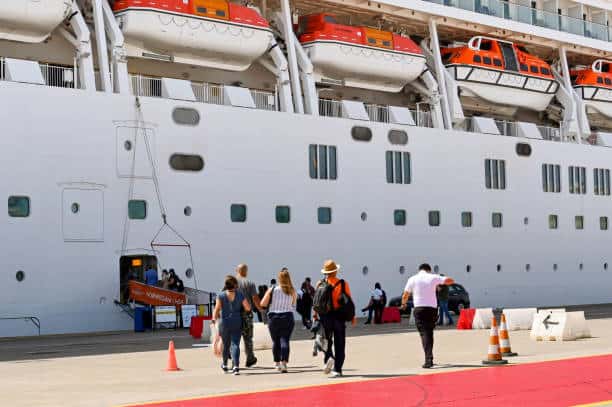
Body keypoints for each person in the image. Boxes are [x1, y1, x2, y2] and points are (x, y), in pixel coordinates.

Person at [401, 264, 454, 368]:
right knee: (429, 333)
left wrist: (403, 304)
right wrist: (439, 280)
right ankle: (429, 357)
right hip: (432, 309)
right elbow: (450, 280)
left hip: (419, 309)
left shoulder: (412, 279)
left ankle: (428, 360)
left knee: (424, 333)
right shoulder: (433, 277)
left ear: (419, 270)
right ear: (429, 270)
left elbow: (405, 295)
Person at [317, 259, 356, 378]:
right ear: (335, 271)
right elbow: (349, 301)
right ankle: (337, 369)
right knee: (340, 343)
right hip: (339, 317)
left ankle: (329, 357)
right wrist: (352, 316)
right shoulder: (343, 284)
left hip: (325, 317)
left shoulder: (320, 284)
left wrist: (315, 315)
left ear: (326, 272)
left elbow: (317, 302)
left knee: (324, 341)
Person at [212, 275, 251, 375]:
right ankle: (236, 367)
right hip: (236, 321)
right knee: (235, 344)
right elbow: (247, 308)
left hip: (224, 322)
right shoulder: (240, 294)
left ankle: (225, 365)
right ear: (235, 285)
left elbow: (216, 309)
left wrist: (213, 319)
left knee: (226, 344)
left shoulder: (220, 295)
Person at [260, 268, 297, 373]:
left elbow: (263, 303)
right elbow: (293, 304)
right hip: (288, 317)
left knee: (276, 341)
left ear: (279, 278)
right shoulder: (292, 290)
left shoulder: (272, 289)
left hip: (274, 317)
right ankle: (284, 363)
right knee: (284, 340)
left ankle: (277, 363)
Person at [235, 264, 263, 368]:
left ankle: (234, 360)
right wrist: (260, 309)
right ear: (246, 271)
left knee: (235, 338)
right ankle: (250, 358)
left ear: (236, 270)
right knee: (248, 337)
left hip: (233, 314)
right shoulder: (250, 283)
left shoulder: (230, 283)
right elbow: (255, 298)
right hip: (246, 314)